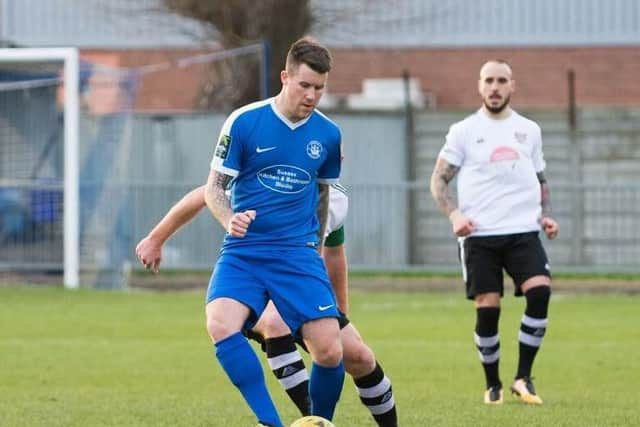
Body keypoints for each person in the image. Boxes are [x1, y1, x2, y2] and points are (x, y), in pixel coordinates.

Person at [136, 183, 399, 427]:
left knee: (360, 357)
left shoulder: (336, 196)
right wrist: (156, 238)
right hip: (256, 280)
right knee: (273, 322)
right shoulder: (273, 174)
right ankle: (295, 420)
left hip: (304, 285)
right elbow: (205, 193)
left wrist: (340, 312)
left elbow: (334, 252)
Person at [429, 59, 559, 406]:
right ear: (480, 86)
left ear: (512, 85)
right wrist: (454, 214)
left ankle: (523, 378)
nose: (495, 87)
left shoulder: (529, 130)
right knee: (489, 307)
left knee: (540, 292)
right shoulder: (464, 131)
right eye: (489, 80)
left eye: (502, 80)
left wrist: (546, 216)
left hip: (523, 231)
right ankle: (493, 385)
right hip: (480, 236)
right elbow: (439, 179)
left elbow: (541, 178)